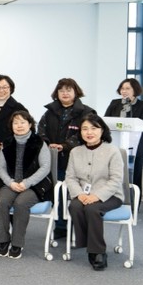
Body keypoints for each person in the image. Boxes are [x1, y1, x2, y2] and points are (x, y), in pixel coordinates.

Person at [38, 77, 95, 239]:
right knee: (59, 193)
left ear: (76, 92)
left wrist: (65, 145)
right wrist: (48, 144)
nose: (64, 93)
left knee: (78, 194)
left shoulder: (87, 112)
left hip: (79, 160)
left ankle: (80, 227)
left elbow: (87, 134)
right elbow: (40, 131)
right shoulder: (49, 112)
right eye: (61, 90)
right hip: (55, 160)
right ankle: (61, 226)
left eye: (68, 90)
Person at [65, 114, 123, 271]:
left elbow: (116, 179)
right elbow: (70, 177)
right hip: (83, 194)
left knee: (92, 208)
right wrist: (79, 194)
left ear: (102, 130)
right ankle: (89, 245)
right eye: (85, 129)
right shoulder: (75, 152)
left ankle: (98, 251)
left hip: (110, 195)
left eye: (93, 128)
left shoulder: (112, 151)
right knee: (75, 206)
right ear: (80, 132)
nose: (89, 132)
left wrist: (96, 196)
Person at [0, 111, 52, 259]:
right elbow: (1, 168)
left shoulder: (39, 142)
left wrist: (27, 183)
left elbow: (45, 167)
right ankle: (3, 241)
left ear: (30, 124)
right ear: (11, 126)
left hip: (34, 184)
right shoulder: (7, 143)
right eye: (15, 123)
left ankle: (17, 243)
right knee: (1, 201)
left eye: (22, 122)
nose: (19, 126)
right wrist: (10, 183)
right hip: (12, 183)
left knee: (21, 203)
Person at [104, 78, 143, 191]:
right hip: (116, 143)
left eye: (127, 88)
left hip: (137, 146)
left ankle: (134, 200)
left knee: (135, 175)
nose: (124, 91)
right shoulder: (115, 103)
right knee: (113, 172)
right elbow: (105, 121)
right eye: (122, 88)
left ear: (135, 90)